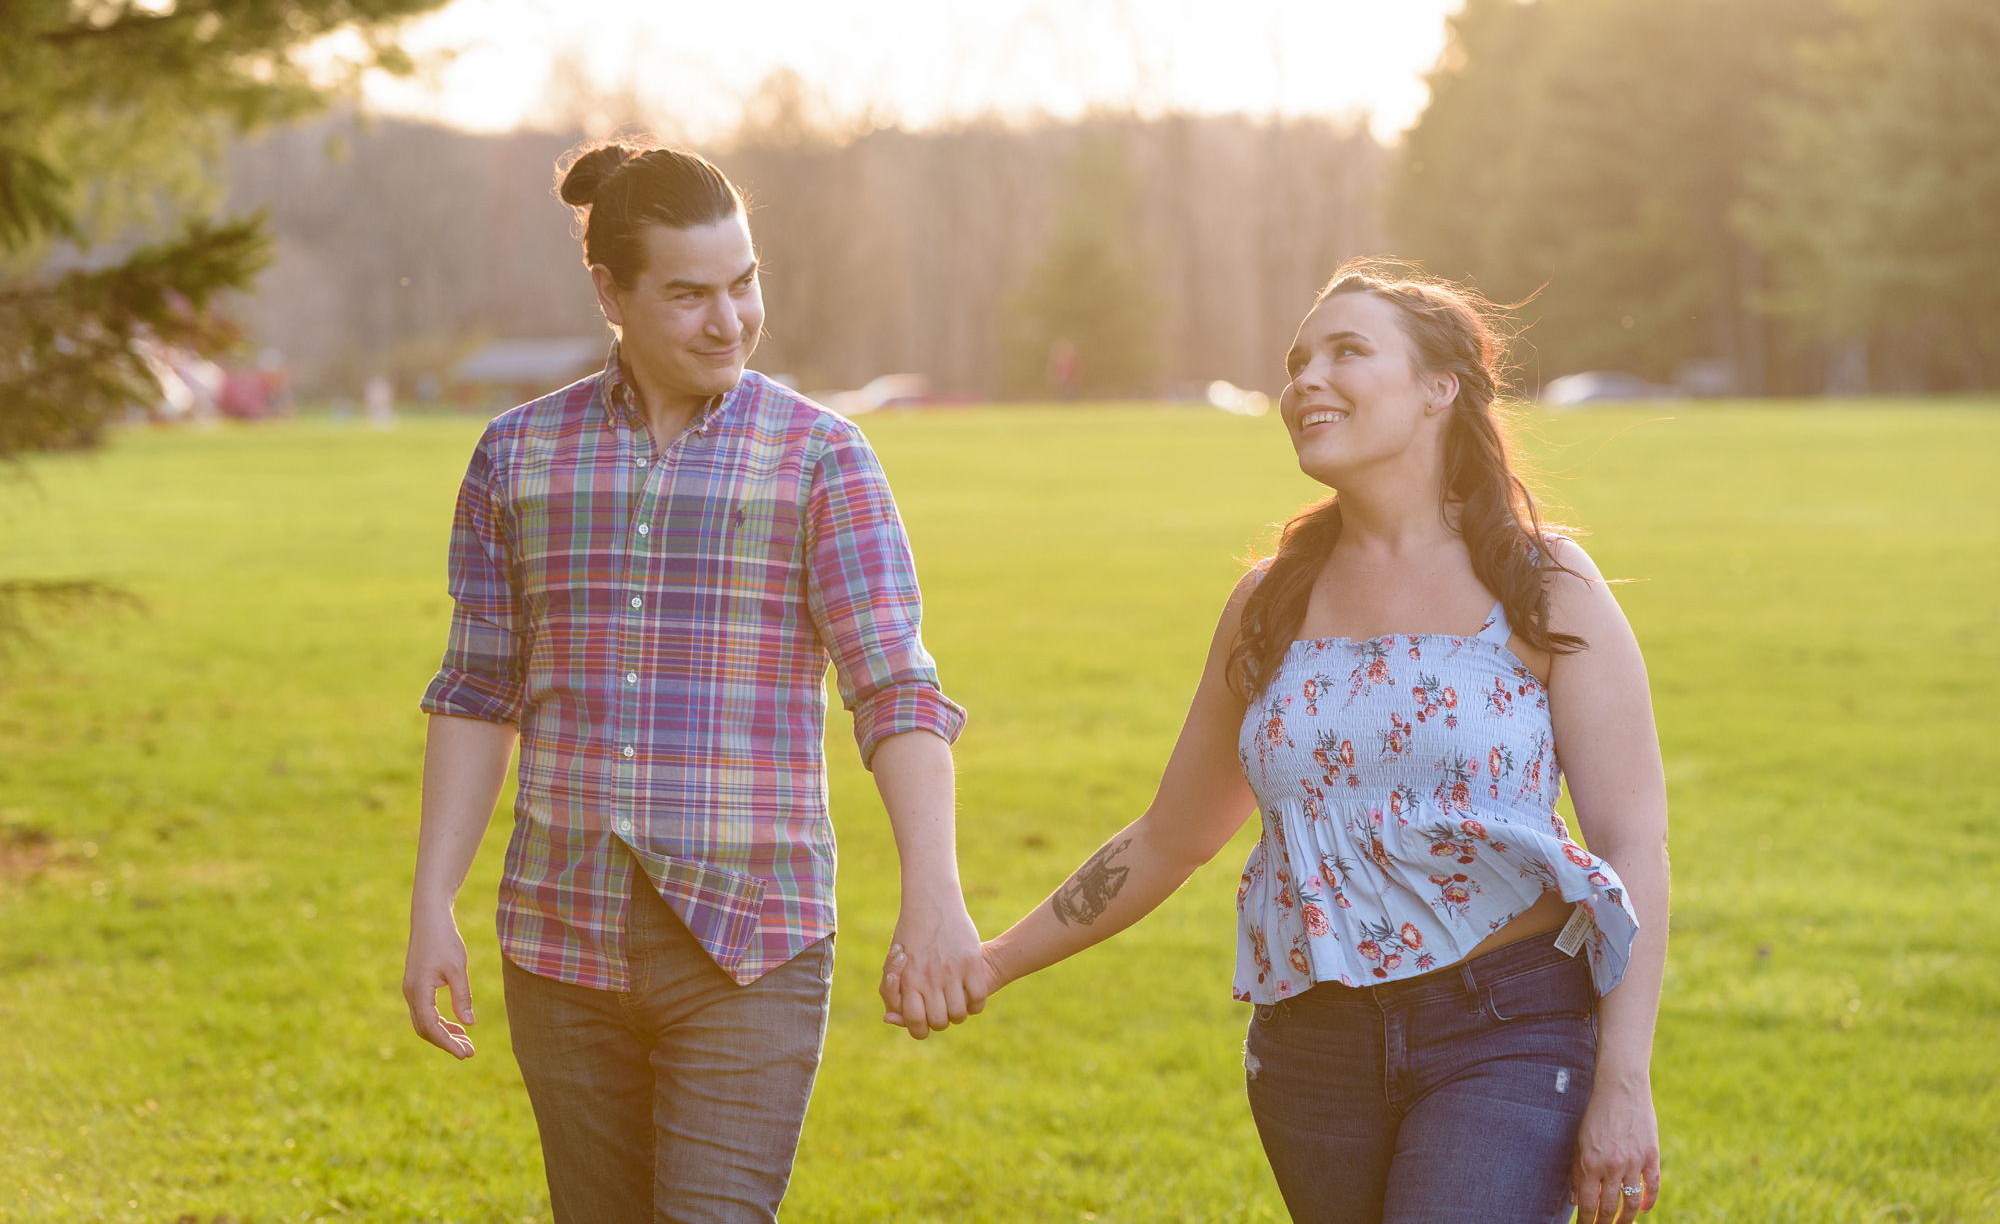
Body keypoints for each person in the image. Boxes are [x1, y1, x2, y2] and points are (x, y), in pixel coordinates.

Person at [897, 260, 1670, 1223]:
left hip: (1507, 1025)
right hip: (1312, 1048)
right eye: (1298, 360)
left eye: (1347, 351)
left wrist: (1624, 1081)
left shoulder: (1545, 581)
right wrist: (992, 960)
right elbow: (1173, 835)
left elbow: (1631, 839)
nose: (1305, 379)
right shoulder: (1271, 601)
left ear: (1442, 386)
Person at [402, 139, 987, 1224]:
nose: (729, 321)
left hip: (750, 944)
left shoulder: (820, 458)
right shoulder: (516, 458)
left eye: (743, 283)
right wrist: (432, 900)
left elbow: (894, 690)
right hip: (559, 941)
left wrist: (934, 896)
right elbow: (478, 690)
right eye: (688, 295)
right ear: (609, 293)